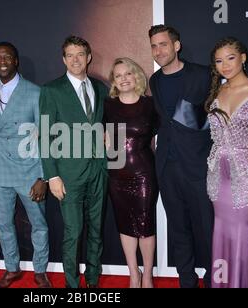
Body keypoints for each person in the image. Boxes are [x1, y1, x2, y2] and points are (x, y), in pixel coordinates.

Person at [205, 37, 248, 288]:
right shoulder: (217, 91)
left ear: (243, 58)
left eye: (230, 58)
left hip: (247, 177)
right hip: (217, 179)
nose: (225, 65)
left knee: (245, 235)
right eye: (219, 61)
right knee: (222, 235)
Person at [39, 35, 108, 288]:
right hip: (67, 174)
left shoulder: (101, 88)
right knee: (73, 232)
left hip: (98, 171)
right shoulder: (52, 90)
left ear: (88, 57)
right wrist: (52, 176)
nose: (76, 59)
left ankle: (92, 280)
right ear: (63, 59)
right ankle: (72, 285)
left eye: (80, 54)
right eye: (70, 55)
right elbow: (44, 135)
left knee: (96, 231)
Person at [148, 25, 214, 287]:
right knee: (178, 228)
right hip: (166, 165)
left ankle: (213, 278)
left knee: (208, 228)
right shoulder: (154, 80)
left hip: (199, 165)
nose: (158, 50)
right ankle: (186, 279)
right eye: (154, 45)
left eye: (163, 44)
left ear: (177, 46)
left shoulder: (203, 74)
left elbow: (221, 112)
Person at [0, 42, 51, 288]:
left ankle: (40, 270)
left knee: (39, 224)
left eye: (7, 56)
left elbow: (45, 135)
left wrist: (43, 177)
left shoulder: (35, 92)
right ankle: (11, 268)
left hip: (29, 171)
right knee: (3, 224)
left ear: (16, 61)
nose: (2, 61)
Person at [104, 57, 159, 288]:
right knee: (125, 225)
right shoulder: (108, 105)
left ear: (136, 75)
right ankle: (133, 274)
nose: (124, 79)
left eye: (128, 73)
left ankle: (147, 274)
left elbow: (159, 138)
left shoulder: (150, 104)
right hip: (117, 175)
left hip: (144, 173)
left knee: (146, 226)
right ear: (114, 81)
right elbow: (104, 137)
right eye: (118, 75)